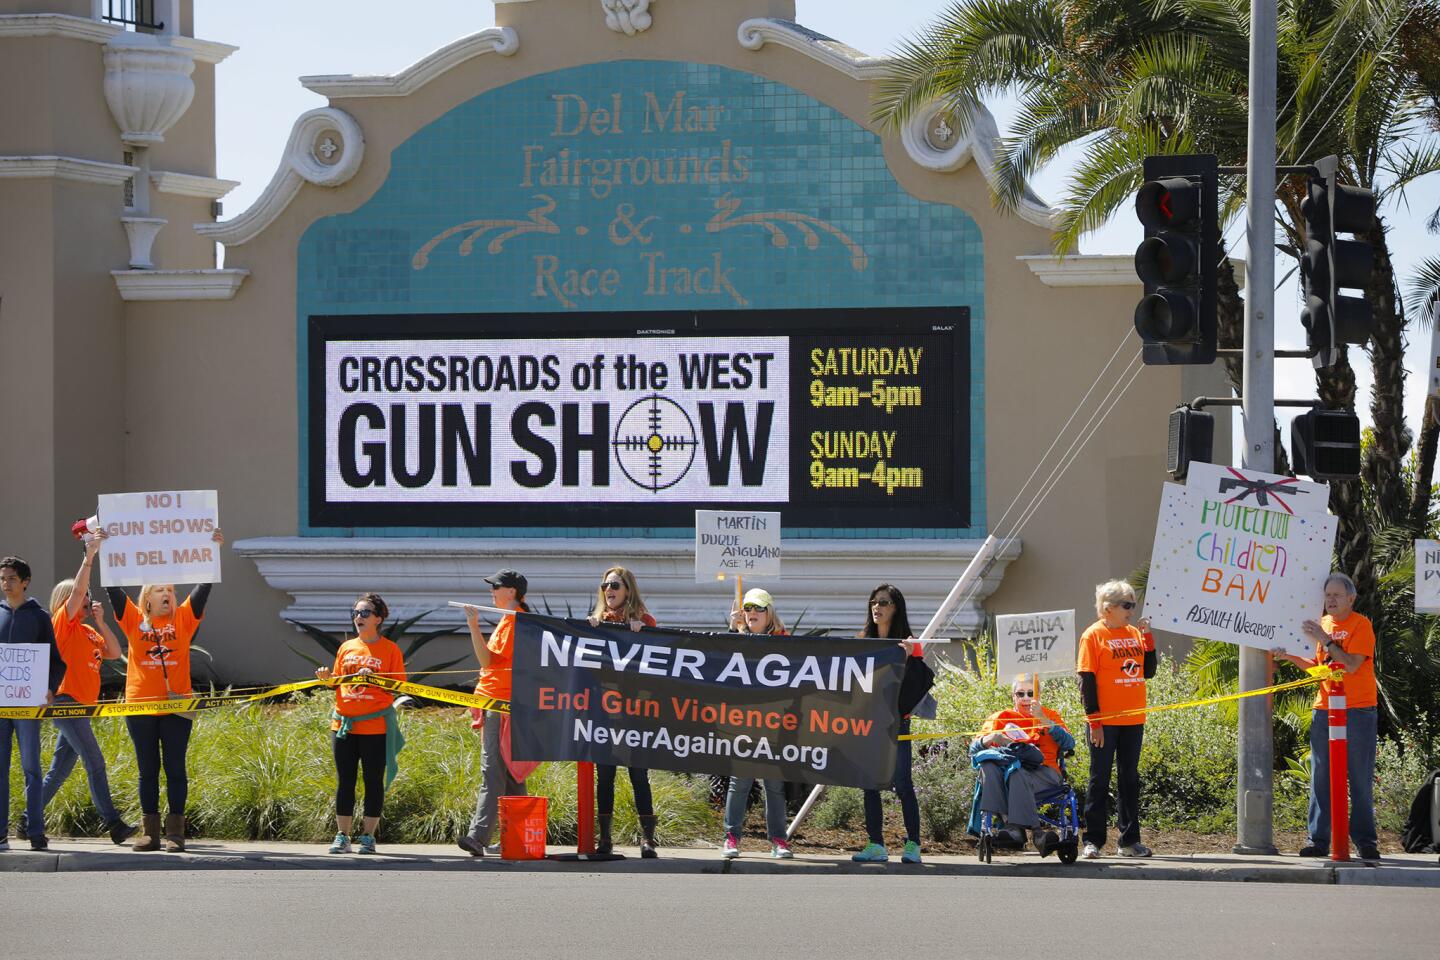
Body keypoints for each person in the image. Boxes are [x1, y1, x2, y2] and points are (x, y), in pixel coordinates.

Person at [105, 527, 224, 853]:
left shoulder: (184, 619)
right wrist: (102, 549)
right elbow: (113, 589)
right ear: (147, 598)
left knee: (175, 769)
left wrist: (212, 550)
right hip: (140, 708)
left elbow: (205, 586)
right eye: (160, 590)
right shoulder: (133, 621)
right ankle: (150, 833)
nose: (167, 594)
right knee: (147, 771)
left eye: (170, 589)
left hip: (177, 706)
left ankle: (175, 832)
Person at [22, 533, 135, 845]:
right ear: (67, 601)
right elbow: (79, 590)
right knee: (95, 761)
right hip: (66, 700)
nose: (87, 599)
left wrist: (100, 621)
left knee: (58, 772)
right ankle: (113, 823)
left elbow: (113, 652)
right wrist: (90, 556)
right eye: (81, 597)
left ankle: (25, 820)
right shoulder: (61, 622)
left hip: (81, 707)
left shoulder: (86, 630)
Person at [1273, 572, 1381, 861]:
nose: (1330, 600)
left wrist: (1325, 639)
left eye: (1336, 595)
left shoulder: (1361, 625)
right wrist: (1290, 657)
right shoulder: (1321, 624)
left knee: (1359, 778)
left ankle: (1365, 842)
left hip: (1358, 710)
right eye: (1327, 595)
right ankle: (1317, 840)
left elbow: (1351, 665)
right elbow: (1318, 666)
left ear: (1350, 598)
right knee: (1321, 778)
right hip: (1325, 710)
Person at [315, 592, 407, 855]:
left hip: (375, 726)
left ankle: (368, 836)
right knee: (345, 780)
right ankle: (342, 836)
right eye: (355, 613)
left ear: (378, 618)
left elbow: (399, 685)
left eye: (365, 613)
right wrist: (326, 677)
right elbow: (337, 681)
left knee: (373, 781)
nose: (359, 617)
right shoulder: (346, 648)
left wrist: (375, 677)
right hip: (343, 724)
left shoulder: (390, 649)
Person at [1076, 578, 1156, 859]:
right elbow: (1086, 680)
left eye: (1132, 605)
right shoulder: (1093, 635)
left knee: (1129, 779)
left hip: (1133, 718)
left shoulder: (1134, 632)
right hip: (1105, 721)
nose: (1131, 611)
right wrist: (1094, 722)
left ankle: (1129, 841)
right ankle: (1093, 841)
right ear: (1108, 608)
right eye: (1127, 605)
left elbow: (1148, 671)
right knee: (1099, 779)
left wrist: (1147, 639)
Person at [457, 569, 533, 857]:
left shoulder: (515, 621)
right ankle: (520, 836)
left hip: (500, 704)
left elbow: (487, 660)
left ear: (511, 592)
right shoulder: (510, 620)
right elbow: (490, 661)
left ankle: (479, 835)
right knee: (511, 773)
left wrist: (474, 625)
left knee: (493, 770)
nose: (491, 592)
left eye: (496, 587)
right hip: (502, 702)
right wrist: (475, 625)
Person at [588, 566, 660, 858]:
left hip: (635, 711)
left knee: (638, 775)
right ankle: (605, 839)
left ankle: (648, 840)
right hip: (604, 710)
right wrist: (589, 629)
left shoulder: (645, 620)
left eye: (615, 585)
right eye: (605, 585)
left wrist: (643, 633)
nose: (609, 590)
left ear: (628, 589)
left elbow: (662, 660)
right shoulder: (596, 622)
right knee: (604, 777)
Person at [852, 583, 924, 864]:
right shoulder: (861, 641)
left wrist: (905, 658)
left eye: (883, 602)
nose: (877, 607)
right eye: (874, 602)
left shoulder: (909, 644)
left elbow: (918, 686)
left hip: (897, 724)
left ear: (896, 608)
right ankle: (875, 845)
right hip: (868, 725)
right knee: (869, 783)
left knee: (903, 783)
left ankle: (913, 845)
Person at [719, 587, 793, 860]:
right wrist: (733, 629)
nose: (751, 613)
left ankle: (778, 840)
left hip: (774, 723)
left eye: (758, 608)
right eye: (747, 608)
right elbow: (722, 662)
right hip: (745, 722)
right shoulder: (739, 639)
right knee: (740, 782)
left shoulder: (785, 642)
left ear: (769, 613)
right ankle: (731, 837)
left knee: (774, 784)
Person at [1, 555, 66, 852]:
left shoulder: (39, 616)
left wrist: (51, 688)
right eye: (2, 578)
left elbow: (56, 661)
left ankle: (35, 831)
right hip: (1, 707)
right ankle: (1, 833)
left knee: (31, 769)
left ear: (25, 582)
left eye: (11, 578)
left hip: (28, 706)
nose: (5, 583)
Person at [969, 674, 1073, 855]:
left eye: (1031, 693)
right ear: (1013, 696)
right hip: (1009, 773)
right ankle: (1035, 833)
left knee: (1017, 772)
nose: (1026, 698)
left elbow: (1069, 744)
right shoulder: (1000, 717)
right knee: (999, 769)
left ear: (1039, 695)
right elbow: (973, 749)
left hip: (1045, 771)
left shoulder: (1050, 715)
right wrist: (991, 738)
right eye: (1020, 694)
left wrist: (1045, 721)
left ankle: (1015, 829)